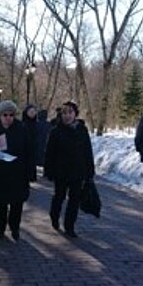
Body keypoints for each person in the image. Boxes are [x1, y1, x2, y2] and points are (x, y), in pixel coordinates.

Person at [44, 101, 95, 238]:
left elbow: (87, 151)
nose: (67, 116)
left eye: (70, 113)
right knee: (59, 197)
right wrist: (48, 170)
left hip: (78, 171)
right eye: (64, 113)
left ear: (75, 114)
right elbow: (49, 153)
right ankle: (54, 216)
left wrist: (90, 171)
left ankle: (69, 226)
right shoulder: (55, 131)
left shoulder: (82, 130)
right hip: (60, 171)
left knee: (74, 200)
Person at [0, 100, 30, 241]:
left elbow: (29, 151)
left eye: (11, 115)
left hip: (17, 173)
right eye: (5, 115)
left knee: (17, 204)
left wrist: (28, 172)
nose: (8, 118)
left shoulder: (22, 129)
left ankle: (15, 227)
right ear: (0, 115)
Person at [22, 103, 38, 182]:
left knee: (32, 162)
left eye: (34, 112)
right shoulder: (24, 124)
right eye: (30, 112)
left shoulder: (36, 123)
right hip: (25, 146)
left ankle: (32, 177)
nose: (32, 113)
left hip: (34, 146)